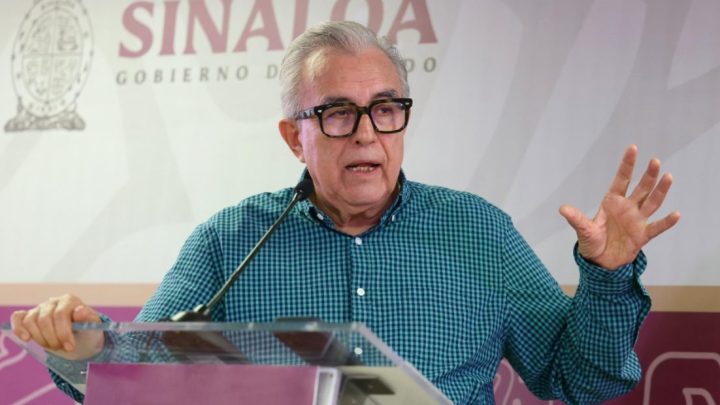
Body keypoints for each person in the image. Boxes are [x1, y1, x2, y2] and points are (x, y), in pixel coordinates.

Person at [11, 21, 680, 404]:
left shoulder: (479, 231)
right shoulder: (229, 240)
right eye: (337, 113)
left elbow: (581, 379)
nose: (366, 133)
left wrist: (607, 276)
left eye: (385, 109)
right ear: (293, 136)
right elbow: (143, 381)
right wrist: (81, 344)